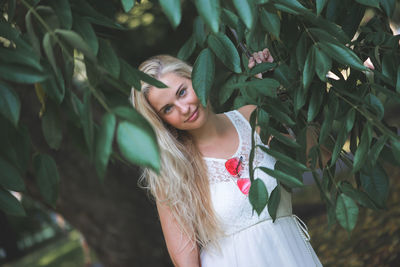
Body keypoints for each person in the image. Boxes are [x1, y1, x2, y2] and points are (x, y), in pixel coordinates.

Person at [130, 49, 323, 266]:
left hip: (291, 254)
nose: (184, 109)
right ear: (163, 122)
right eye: (168, 109)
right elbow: (186, 261)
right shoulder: (174, 170)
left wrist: (277, 90)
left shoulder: (253, 118)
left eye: (182, 92)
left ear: (196, 78)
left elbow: (316, 157)